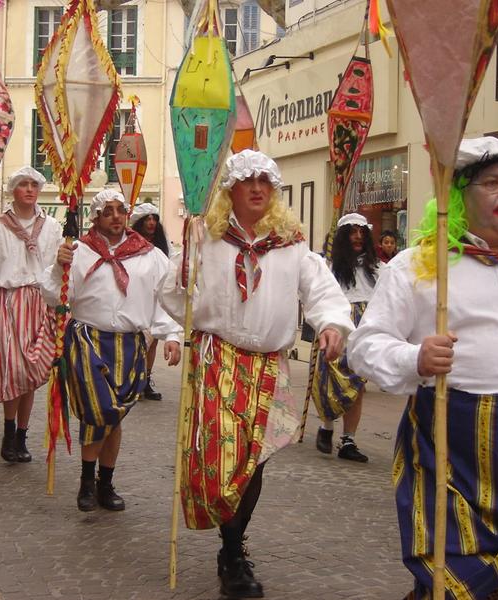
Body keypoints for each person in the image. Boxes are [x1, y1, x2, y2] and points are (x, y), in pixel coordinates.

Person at [348, 137, 498, 600]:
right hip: (459, 443)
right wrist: (415, 358)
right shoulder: (421, 265)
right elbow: (365, 346)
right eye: (491, 183)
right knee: (463, 570)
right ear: (459, 194)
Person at [160, 149, 353, 598]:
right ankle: (230, 544)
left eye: (266, 182)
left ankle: (233, 550)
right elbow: (173, 296)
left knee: (254, 460)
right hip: (218, 360)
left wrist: (330, 324)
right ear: (230, 189)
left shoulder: (290, 243)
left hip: (270, 365)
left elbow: (321, 289)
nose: (258, 189)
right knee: (223, 459)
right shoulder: (206, 238)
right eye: (248, 181)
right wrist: (184, 269)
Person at [41, 189, 182, 512]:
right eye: (108, 211)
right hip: (88, 339)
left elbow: (165, 298)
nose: (116, 216)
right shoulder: (79, 251)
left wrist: (172, 334)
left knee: (114, 417)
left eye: (121, 210)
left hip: (130, 344)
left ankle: (104, 483)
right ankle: (87, 483)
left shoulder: (149, 255)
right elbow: (57, 296)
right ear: (96, 217)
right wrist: (57, 268)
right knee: (99, 410)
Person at [0, 166, 61, 463]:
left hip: (38, 301)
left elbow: (56, 270)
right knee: (12, 371)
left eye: (34, 185)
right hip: (6, 302)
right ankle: (9, 433)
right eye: (24, 184)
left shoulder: (51, 227)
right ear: (14, 190)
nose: (30, 190)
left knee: (32, 373)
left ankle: (21, 434)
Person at [310, 212, 382, 463]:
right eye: (352, 232)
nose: (358, 237)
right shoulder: (328, 268)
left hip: (364, 329)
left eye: (361, 232)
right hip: (337, 327)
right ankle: (327, 427)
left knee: (357, 385)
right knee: (328, 381)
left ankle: (348, 439)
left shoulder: (377, 269)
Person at [129, 201, 171, 401]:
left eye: (155, 219)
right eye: (148, 219)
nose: (152, 222)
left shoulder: (162, 244)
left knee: (152, 340)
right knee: (140, 340)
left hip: (157, 297)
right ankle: (133, 380)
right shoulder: (130, 242)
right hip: (138, 296)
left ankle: (145, 380)